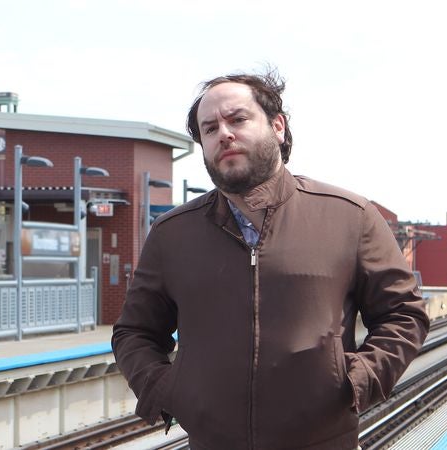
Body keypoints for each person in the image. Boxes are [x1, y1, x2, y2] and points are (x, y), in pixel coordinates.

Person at [111, 69, 430, 450]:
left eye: (238, 119)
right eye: (209, 129)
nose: (223, 134)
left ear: (277, 126)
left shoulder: (350, 216)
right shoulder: (172, 233)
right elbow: (134, 332)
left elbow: (403, 314)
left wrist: (356, 380)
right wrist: (167, 388)